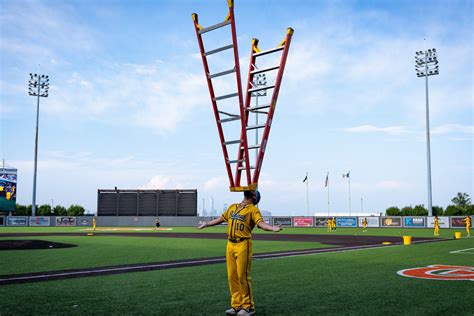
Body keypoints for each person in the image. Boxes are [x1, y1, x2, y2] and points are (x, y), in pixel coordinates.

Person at [197, 190, 282, 316]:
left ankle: (248, 307)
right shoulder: (233, 206)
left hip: (243, 244)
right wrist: (207, 224)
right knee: (232, 276)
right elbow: (221, 218)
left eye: (253, 191)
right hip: (230, 244)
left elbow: (261, 224)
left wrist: (272, 228)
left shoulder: (253, 209)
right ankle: (236, 305)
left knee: (243, 276)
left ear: (254, 197)